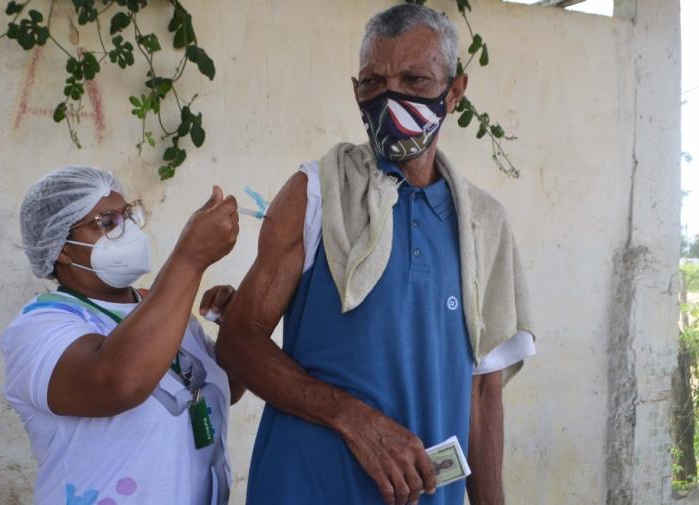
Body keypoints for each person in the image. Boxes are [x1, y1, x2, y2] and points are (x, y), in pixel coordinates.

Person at [216, 5, 536, 505]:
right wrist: (354, 419)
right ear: (356, 91)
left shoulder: (484, 224)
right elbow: (238, 341)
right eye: (373, 83)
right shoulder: (316, 193)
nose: (392, 99)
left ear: (454, 92)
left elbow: (482, 393)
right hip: (305, 489)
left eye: (415, 79)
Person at [2, 166, 244, 505]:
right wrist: (190, 258)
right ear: (62, 249)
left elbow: (222, 388)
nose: (127, 229)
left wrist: (237, 322)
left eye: (127, 215)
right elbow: (119, 382)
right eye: (106, 222)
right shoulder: (40, 326)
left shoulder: (159, 305)